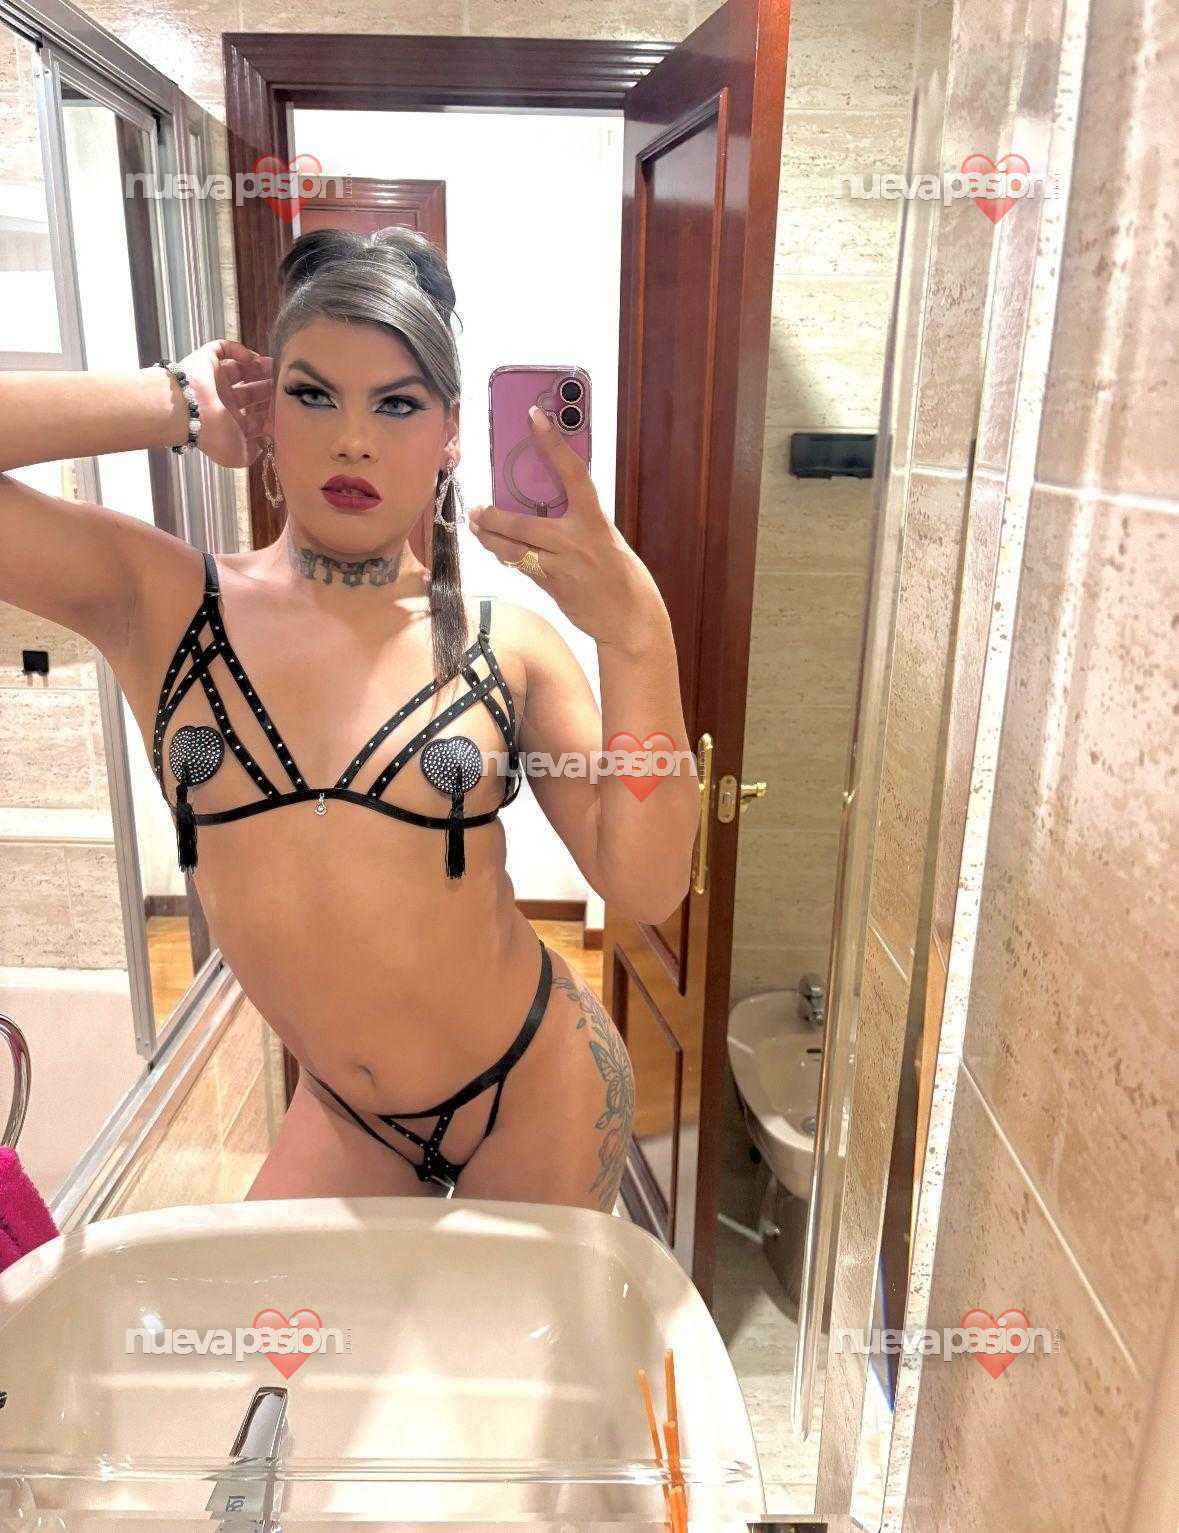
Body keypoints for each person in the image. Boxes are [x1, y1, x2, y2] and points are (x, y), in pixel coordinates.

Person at [0, 226, 698, 1211]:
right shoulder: (157, 602)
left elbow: (648, 883)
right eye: (314, 394)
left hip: (537, 1091)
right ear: (266, 413)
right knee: (262, 1321)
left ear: (450, 432)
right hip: (346, 1117)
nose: (353, 439)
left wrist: (637, 634)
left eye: (397, 403)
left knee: (488, 1324)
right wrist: (174, 402)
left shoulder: (511, 646)